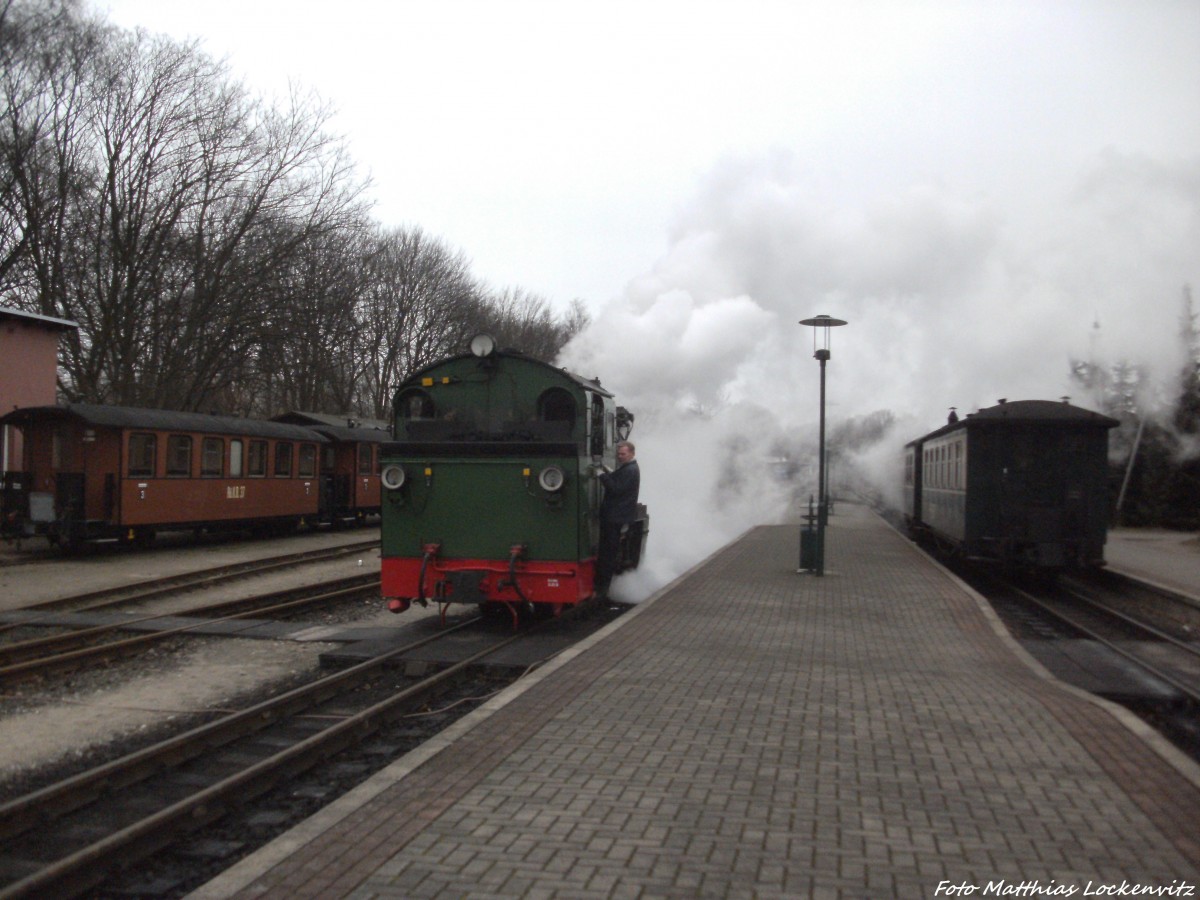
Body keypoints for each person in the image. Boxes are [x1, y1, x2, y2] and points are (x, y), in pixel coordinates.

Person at [595, 440, 640, 597]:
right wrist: (610, 473)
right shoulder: (629, 468)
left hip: (615, 517)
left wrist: (602, 476)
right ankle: (602, 588)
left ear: (632, 453)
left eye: (623, 454)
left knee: (608, 553)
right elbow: (619, 481)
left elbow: (616, 489)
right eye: (619, 454)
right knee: (608, 551)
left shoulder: (630, 470)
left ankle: (602, 589)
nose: (620, 457)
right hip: (616, 516)